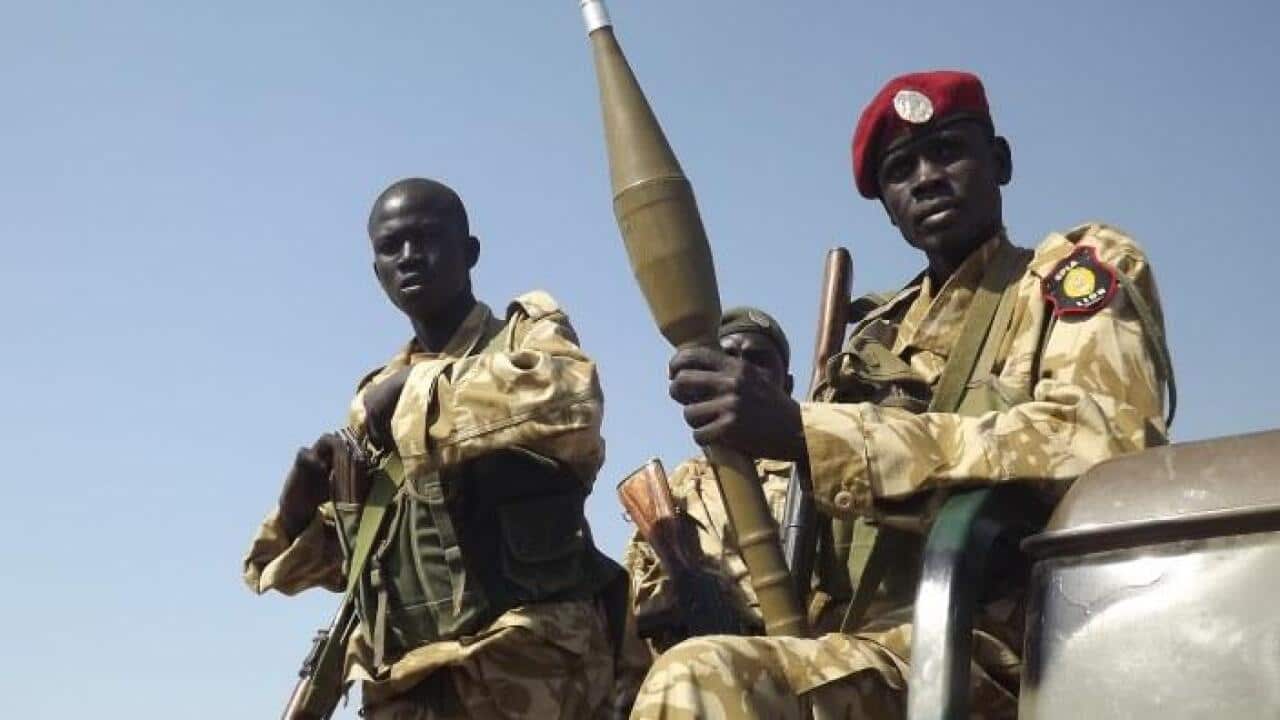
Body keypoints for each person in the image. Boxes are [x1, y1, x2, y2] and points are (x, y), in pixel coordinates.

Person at [631, 70, 1175, 719]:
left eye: (948, 150)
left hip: (1008, 651)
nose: (926, 177)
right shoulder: (870, 342)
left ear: (998, 161)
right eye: (901, 170)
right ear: (888, 206)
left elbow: (1103, 446)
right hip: (860, 652)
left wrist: (810, 433)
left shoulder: (1069, 274)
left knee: (700, 682)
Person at [243, 178, 635, 719]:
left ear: (468, 252)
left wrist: (414, 389)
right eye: (390, 247)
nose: (409, 258)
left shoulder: (524, 340)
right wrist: (296, 510)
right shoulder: (372, 403)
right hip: (407, 689)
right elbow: (352, 566)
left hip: (527, 672)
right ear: (375, 269)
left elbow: (571, 400)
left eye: (427, 239)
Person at [623, 307, 802, 655]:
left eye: (758, 360)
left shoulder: (814, 476)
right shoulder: (677, 488)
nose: (739, 370)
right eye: (728, 357)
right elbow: (634, 602)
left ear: (788, 385)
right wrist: (685, 586)